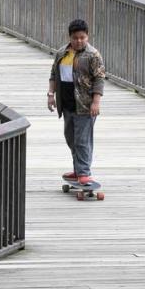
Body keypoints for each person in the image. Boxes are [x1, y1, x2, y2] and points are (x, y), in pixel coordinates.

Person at [47, 19, 106, 185]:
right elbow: (53, 75)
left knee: (82, 140)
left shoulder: (93, 55)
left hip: (85, 105)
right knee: (71, 138)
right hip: (67, 104)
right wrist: (51, 95)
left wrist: (96, 102)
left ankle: (84, 173)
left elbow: (99, 79)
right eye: (75, 38)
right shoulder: (61, 54)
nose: (79, 41)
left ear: (87, 36)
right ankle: (78, 170)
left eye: (82, 37)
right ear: (69, 37)